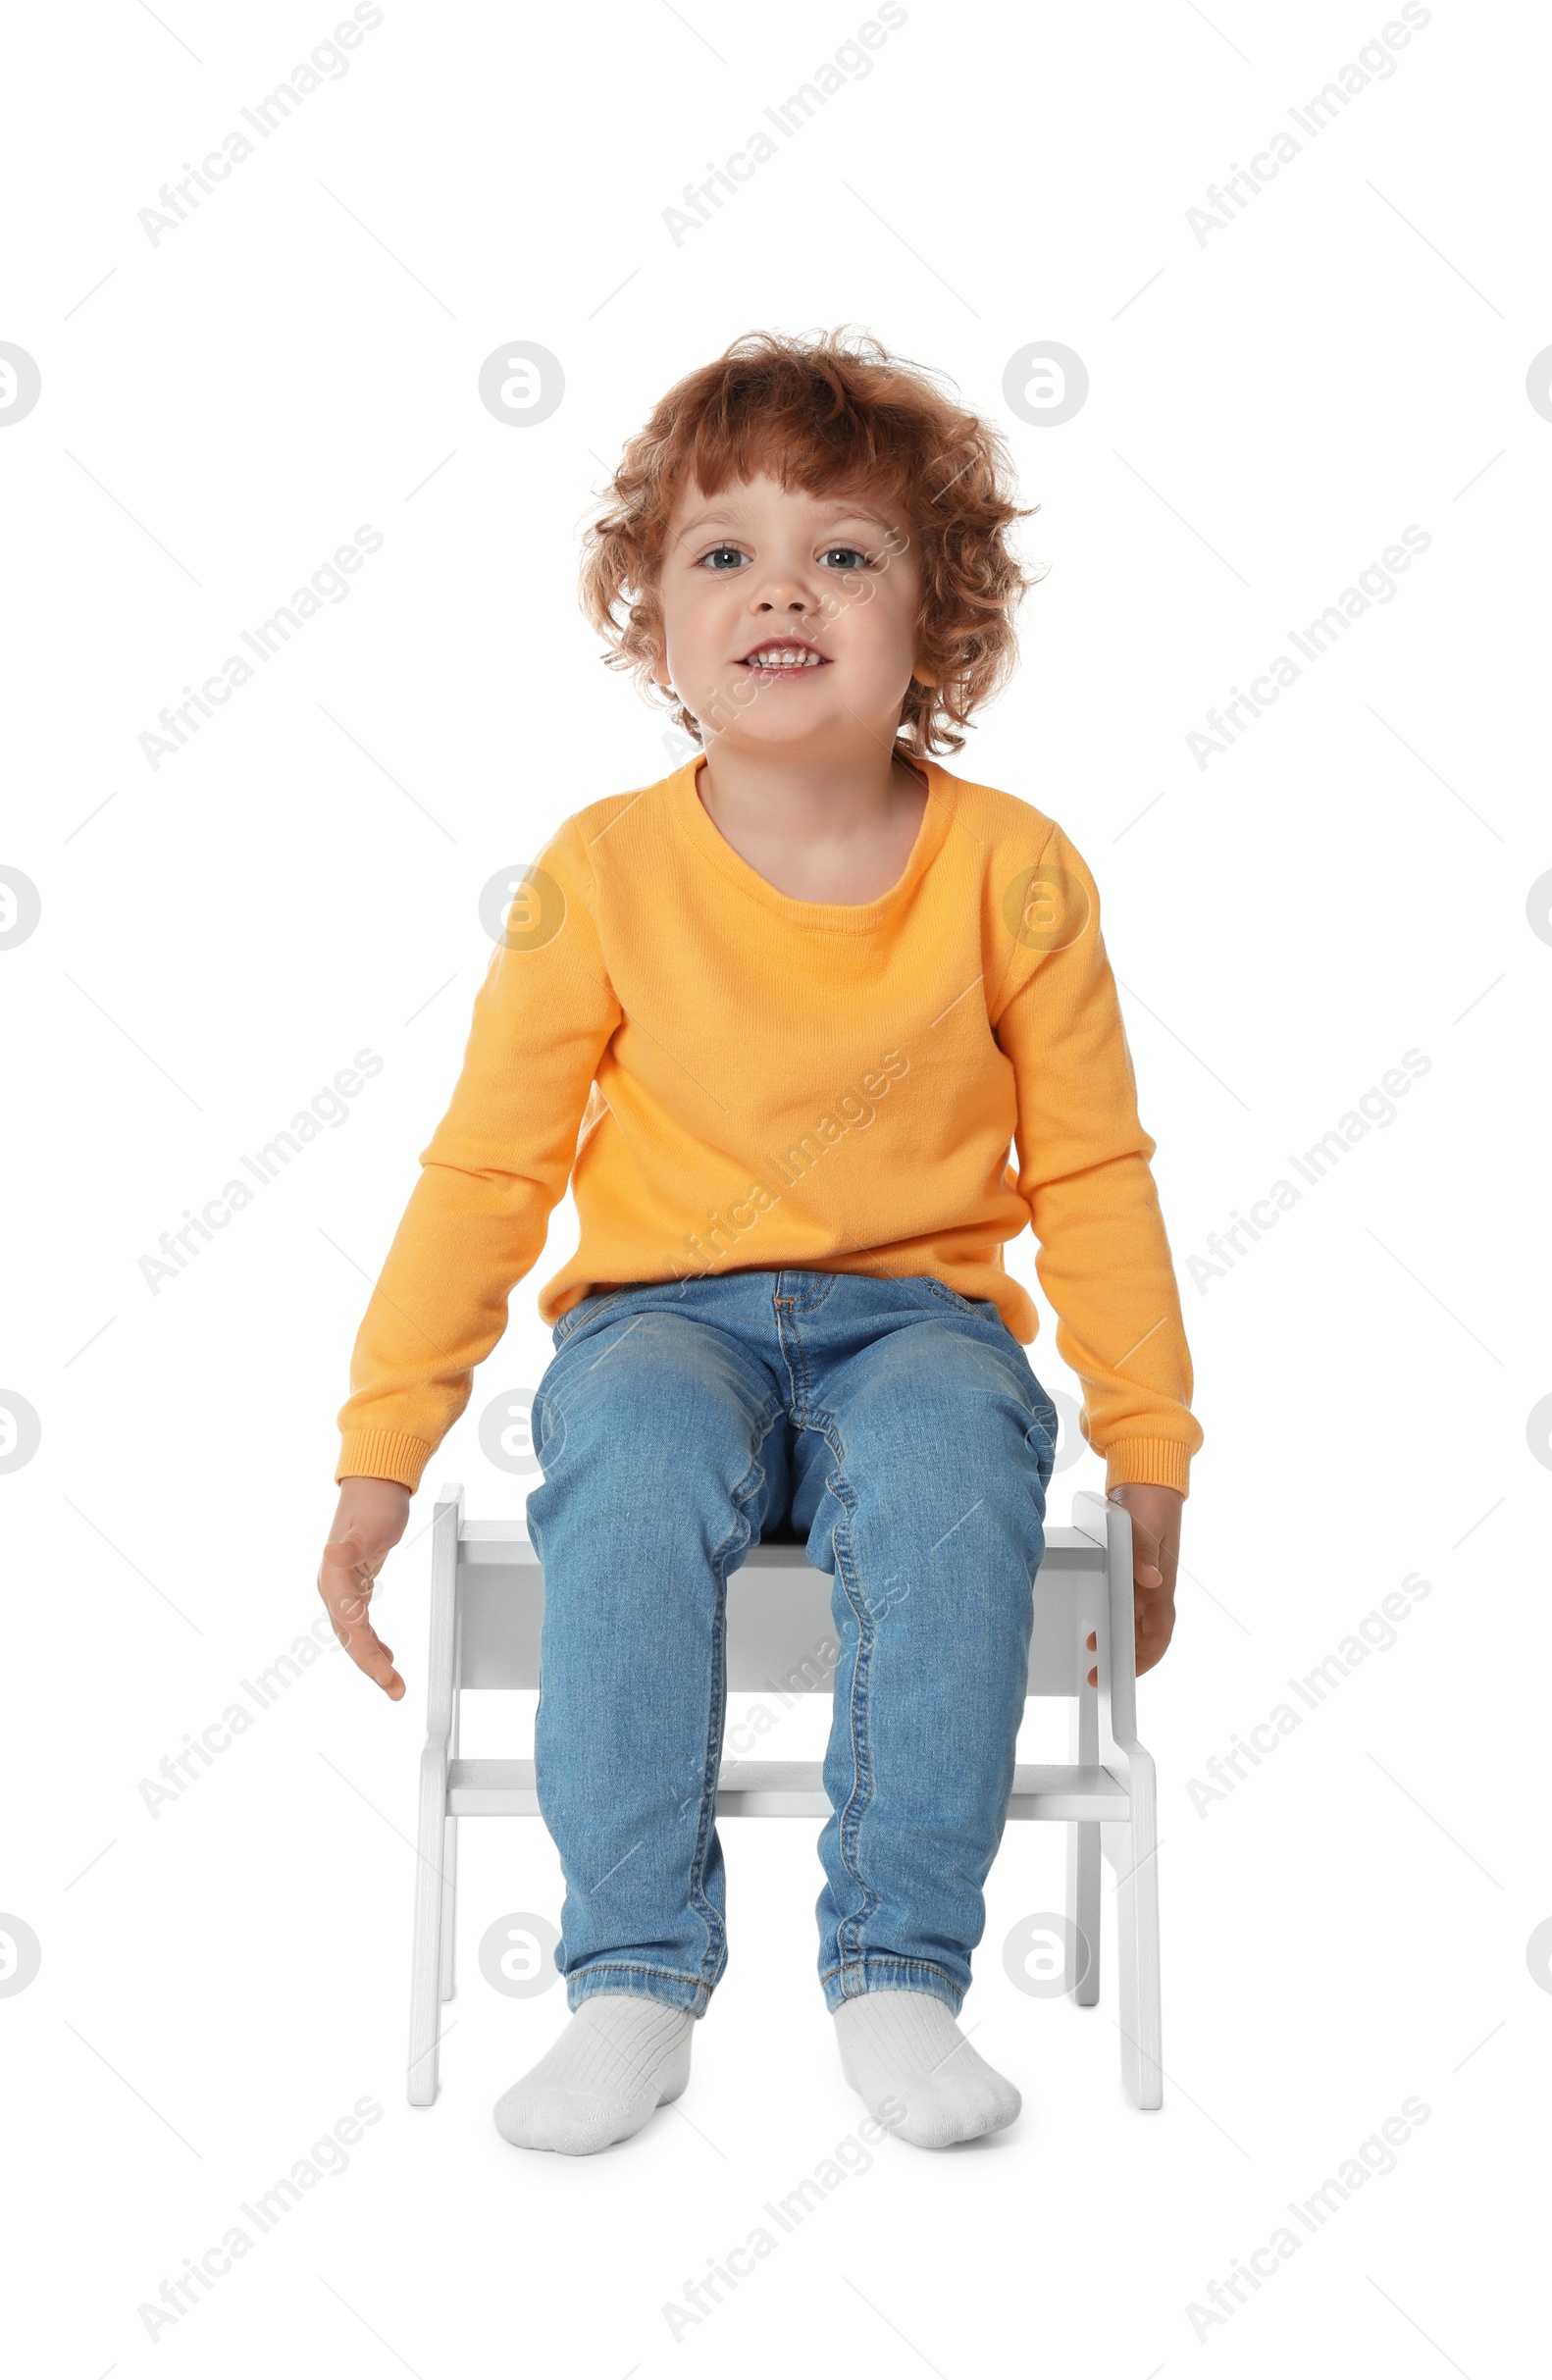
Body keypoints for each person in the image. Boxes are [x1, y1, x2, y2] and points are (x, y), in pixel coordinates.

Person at [316, 327, 1202, 2155]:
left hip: (919, 1324)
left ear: (936, 622)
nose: (780, 588)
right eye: (723, 551)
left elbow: (1095, 1168)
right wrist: (381, 1449)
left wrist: (1151, 1452)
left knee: (956, 1459)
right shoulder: (604, 869)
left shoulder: (1012, 865)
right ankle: (631, 1976)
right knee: (631, 1458)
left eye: (846, 552)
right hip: (668, 1319)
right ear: (654, 618)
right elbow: (489, 1170)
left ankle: (899, 1970)